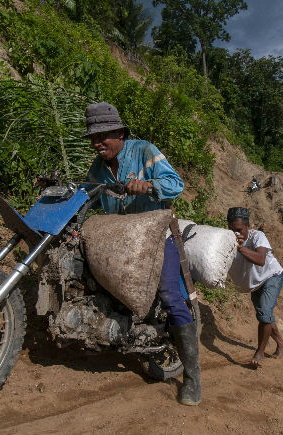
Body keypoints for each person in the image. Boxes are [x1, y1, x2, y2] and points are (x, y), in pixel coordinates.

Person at [82, 102, 201, 406]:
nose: (98, 144)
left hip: (156, 237)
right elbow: (87, 199)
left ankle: (192, 376)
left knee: (170, 295)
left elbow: (176, 184)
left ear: (119, 133)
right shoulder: (97, 168)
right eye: (93, 138)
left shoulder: (144, 150)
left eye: (103, 137)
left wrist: (147, 186)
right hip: (119, 242)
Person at [227, 207, 283, 367]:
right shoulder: (228, 240)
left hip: (272, 276)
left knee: (264, 312)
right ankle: (280, 343)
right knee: (265, 315)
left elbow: (260, 259)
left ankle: (260, 353)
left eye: (239, 230)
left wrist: (239, 248)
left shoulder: (257, 236)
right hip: (255, 284)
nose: (236, 234)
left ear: (248, 226)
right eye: (231, 230)